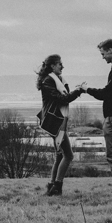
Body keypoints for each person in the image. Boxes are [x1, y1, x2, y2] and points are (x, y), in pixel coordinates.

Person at [82, 39, 112, 195]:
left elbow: (105, 93)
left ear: (110, 50)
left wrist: (86, 89)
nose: (102, 57)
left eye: (103, 53)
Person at [36, 54, 82, 196]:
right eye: (59, 64)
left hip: (58, 121)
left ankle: (51, 185)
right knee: (68, 155)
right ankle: (57, 186)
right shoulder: (48, 81)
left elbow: (64, 96)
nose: (62, 66)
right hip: (54, 122)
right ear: (52, 66)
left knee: (60, 156)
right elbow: (63, 99)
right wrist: (79, 91)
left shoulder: (57, 80)